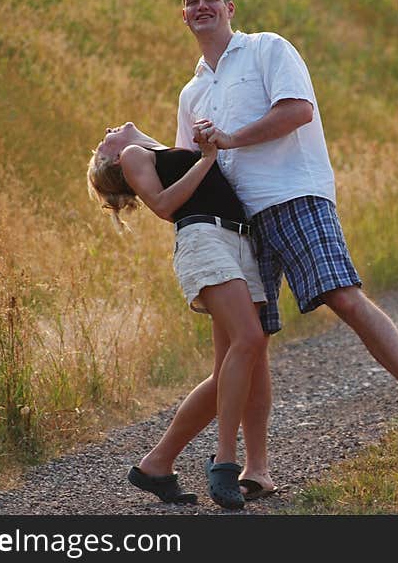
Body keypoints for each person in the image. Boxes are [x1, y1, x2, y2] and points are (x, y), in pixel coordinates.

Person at [175, 0, 398, 445]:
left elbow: (297, 110)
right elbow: (193, 165)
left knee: (344, 297)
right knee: (251, 346)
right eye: (192, 1)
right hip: (239, 226)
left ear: (230, 8)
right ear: (183, 16)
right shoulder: (192, 92)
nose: (202, 6)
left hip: (294, 195)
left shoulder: (268, 48)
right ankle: (255, 467)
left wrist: (230, 139)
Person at [87, 121, 276, 509]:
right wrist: (207, 159)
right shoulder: (134, 155)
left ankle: (156, 464)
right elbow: (163, 205)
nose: (107, 130)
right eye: (100, 144)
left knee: (227, 368)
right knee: (250, 340)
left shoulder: (164, 151)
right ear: (112, 159)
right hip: (205, 238)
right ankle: (225, 462)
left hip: (236, 239)